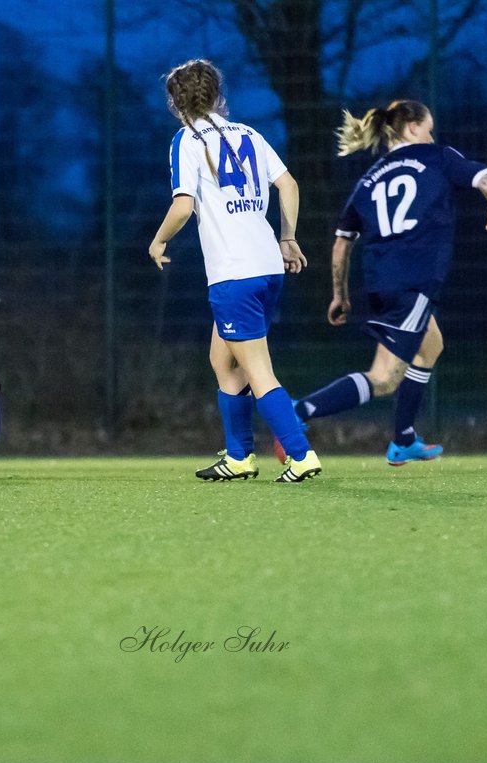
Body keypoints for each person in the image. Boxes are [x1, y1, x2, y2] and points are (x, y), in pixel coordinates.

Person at [282, 100, 487, 465]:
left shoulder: (370, 177)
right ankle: (296, 412)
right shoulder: (437, 156)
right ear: (412, 127)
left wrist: (339, 295)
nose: (432, 135)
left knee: (430, 345)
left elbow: (341, 243)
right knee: (384, 378)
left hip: (381, 281)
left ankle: (403, 438)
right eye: (429, 128)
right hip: (414, 282)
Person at [148, 59, 321, 483]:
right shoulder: (249, 133)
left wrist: (158, 240)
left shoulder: (186, 139)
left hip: (234, 275)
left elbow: (183, 206)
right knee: (222, 361)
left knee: (257, 370)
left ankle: (301, 455)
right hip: (265, 268)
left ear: (175, 103)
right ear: (218, 97)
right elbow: (289, 185)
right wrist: (287, 238)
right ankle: (240, 456)